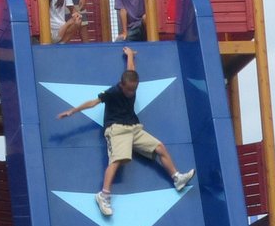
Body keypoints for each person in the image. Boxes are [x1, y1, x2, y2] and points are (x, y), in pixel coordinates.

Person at [55, 46, 194, 217]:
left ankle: (177, 178)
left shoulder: (131, 82)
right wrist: (72, 111)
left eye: (134, 90)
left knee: (159, 147)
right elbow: (93, 102)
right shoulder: (113, 92)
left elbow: (130, 70)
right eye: (128, 89)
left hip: (134, 128)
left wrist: (129, 55)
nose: (131, 93)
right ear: (122, 85)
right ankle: (103, 195)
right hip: (117, 129)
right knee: (117, 160)